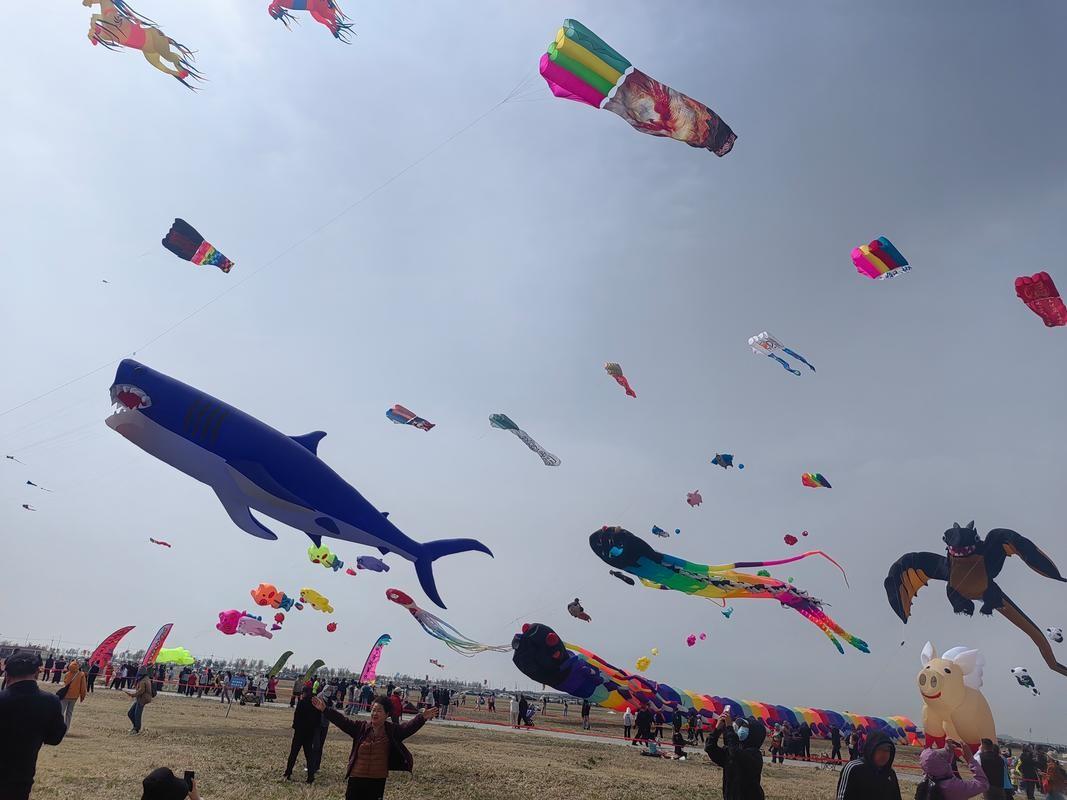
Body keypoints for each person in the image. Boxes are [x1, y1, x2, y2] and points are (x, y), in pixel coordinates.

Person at [312, 692, 438, 800]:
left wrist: (422, 718)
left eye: (379, 710)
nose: (374, 713)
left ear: (387, 714)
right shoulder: (360, 728)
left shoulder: (391, 731)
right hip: (356, 779)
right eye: (373, 710)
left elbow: (407, 728)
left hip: (377, 781)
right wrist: (325, 710)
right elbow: (343, 722)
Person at [0, 652, 67, 800]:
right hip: (21, 776)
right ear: (37, 672)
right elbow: (55, 738)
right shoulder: (51, 701)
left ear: (7, 672)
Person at [705, 713, 765, 800]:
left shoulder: (755, 755)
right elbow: (710, 748)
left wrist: (729, 728)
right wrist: (717, 730)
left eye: (744, 727)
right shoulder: (731, 752)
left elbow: (735, 754)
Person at [835, 730, 901, 800]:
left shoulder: (890, 773)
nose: (884, 754)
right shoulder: (854, 769)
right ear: (871, 749)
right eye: (880, 749)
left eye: (887, 750)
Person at [918, 742, 989, 800]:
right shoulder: (954, 787)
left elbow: (932, 762)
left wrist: (948, 750)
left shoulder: (927, 777)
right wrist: (971, 759)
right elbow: (983, 784)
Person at [284, 686, 321, 784]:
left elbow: (296, 716)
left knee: (293, 753)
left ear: (304, 693)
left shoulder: (301, 702)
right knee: (309, 755)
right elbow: (318, 719)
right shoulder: (315, 704)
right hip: (310, 733)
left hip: (299, 732)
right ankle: (310, 776)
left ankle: (288, 772)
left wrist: (295, 726)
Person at [58, 660, 88, 730]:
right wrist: (82, 696)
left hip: (65, 695)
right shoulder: (81, 674)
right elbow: (83, 687)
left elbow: (65, 683)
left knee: (61, 712)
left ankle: (58, 727)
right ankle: (66, 728)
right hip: (74, 696)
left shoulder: (67, 674)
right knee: (69, 713)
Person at [125, 670, 154, 734]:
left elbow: (141, 691)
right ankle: (135, 727)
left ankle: (136, 729)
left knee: (137, 715)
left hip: (142, 699)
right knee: (130, 713)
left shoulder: (143, 681)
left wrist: (132, 695)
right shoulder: (146, 679)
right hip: (140, 699)